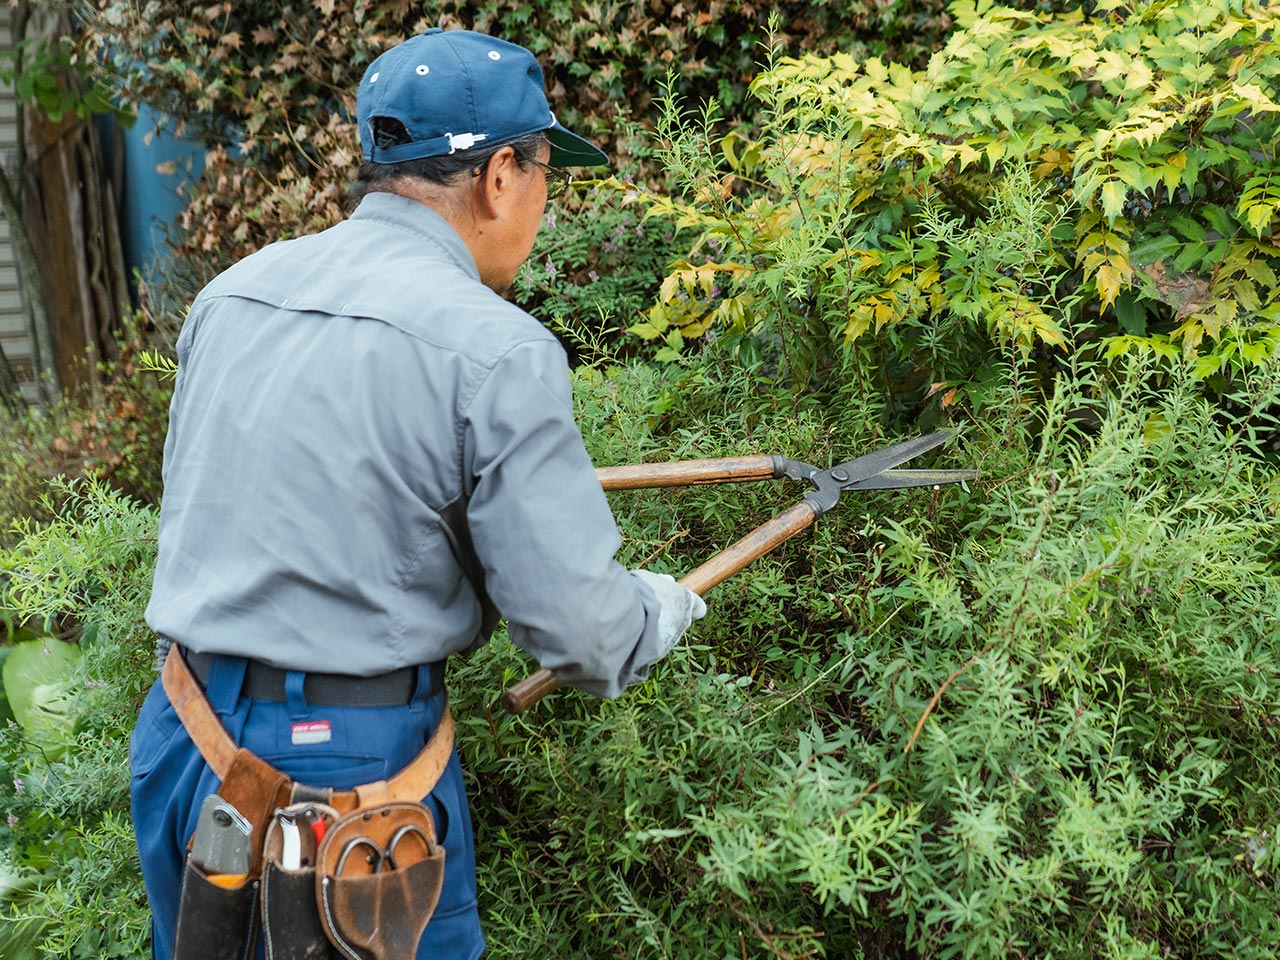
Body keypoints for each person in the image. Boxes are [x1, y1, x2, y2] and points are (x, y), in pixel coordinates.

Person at [129, 27, 706, 960]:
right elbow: (584, 636)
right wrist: (655, 611)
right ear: (500, 177)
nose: (543, 203)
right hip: (347, 773)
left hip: (184, 735)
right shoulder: (495, 350)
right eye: (547, 174)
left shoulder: (233, 297)